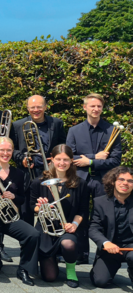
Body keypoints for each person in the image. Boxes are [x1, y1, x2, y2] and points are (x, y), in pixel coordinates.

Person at [67, 93, 122, 264]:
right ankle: (81, 254)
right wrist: (94, 157)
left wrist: (89, 161)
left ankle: (104, 254)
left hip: (103, 181)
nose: (96, 109)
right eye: (92, 106)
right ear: (85, 107)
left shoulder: (112, 131)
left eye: (99, 106)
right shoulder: (74, 130)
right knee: (80, 215)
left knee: (103, 218)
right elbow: (70, 158)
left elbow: (115, 160)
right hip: (80, 179)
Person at [0, 137, 39, 286]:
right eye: (2, 150)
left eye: (9, 150)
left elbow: (22, 199)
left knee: (32, 234)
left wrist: (14, 196)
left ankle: (24, 269)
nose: (5, 153)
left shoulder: (19, 174)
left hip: (10, 219)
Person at [31, 144, 89, 288]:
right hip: (47, 229)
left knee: (68, 244)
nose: (62, 163)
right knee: (50, 277)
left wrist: (74, 225)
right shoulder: (39, 182)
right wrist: (41, 208)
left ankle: (71, 270)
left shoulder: (81, 184)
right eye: (58, 159)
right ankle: (51, 258)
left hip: (68, 227)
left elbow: (83, 210)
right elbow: (32, 206)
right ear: (51, 159)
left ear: (71, 161)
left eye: (66, 160)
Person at [11, 95, 66, 224]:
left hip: (49, 172)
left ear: (45, 107)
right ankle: (28, 243)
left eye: (39, 107)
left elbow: (62, 145)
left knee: (50, 208)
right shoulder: (18, 125)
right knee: (26, 211)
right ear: (27, 108)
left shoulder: (56, 123)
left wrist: (55, 158)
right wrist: (21, 158)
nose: (36, 110)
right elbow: (12, 149)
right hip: (27, 173)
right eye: (32, 107)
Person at [89, 166, 133, 287]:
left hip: (131, 247)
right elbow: (93, 228)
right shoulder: (99, 202)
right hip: (110, 247)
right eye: (121, 179)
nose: (125, 183)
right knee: (100, 281)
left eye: (130, 181)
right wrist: (105, 243)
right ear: (113, 181)